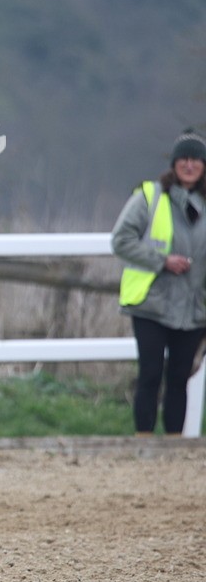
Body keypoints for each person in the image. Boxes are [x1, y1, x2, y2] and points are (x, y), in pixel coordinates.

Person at [111, 128, 206, 436]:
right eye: (184, 159)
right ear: (175, 163)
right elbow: (121, 240)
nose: (189, 165)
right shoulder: (149, 197)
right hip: (151, 303)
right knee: (150, 374)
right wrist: (162, 261)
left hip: (193, 309)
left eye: (196, 160)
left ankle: (175, 445)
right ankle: (144, 440)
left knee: (180, 378)